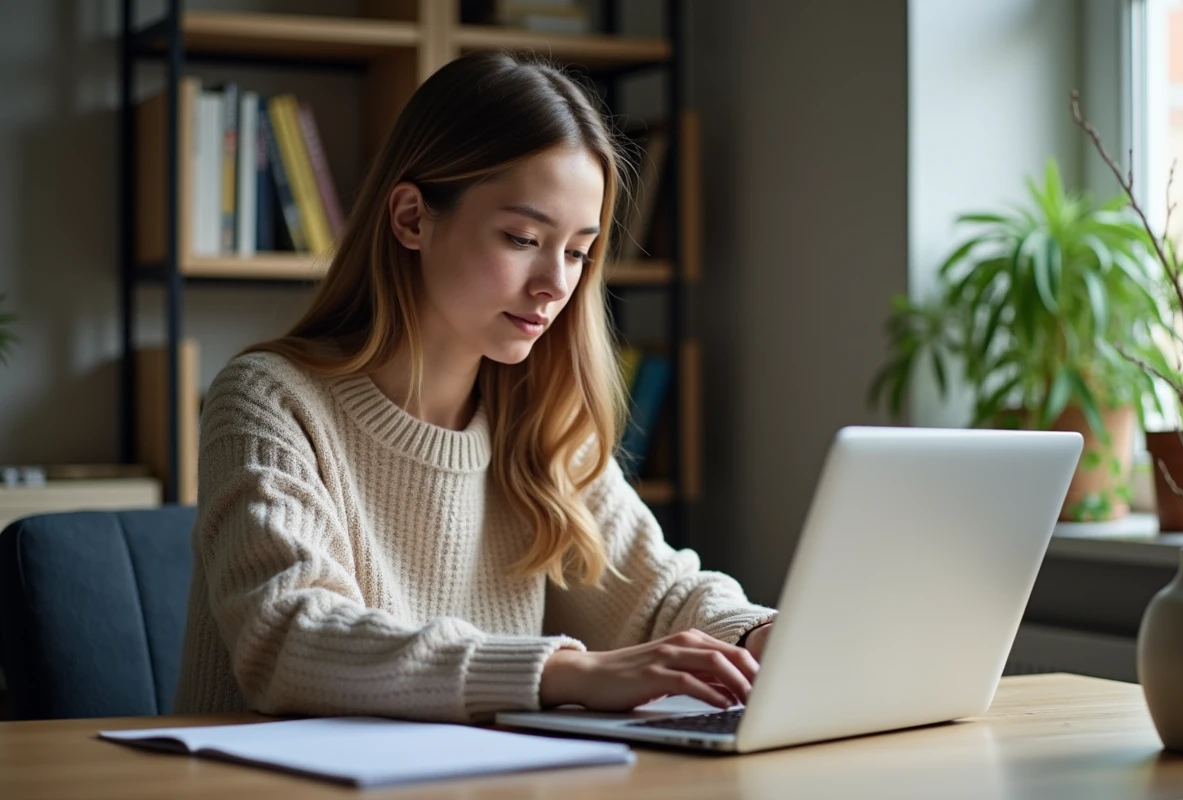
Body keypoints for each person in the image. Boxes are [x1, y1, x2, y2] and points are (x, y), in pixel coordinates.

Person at [173, 50, 776, 724]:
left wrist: (757, 638)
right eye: (523, 237)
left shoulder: (539, 417)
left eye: (578, 251)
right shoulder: (269, 400)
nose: (555, 284)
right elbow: (290, 634)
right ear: (410, 219)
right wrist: (562, 671)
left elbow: (661, 595)